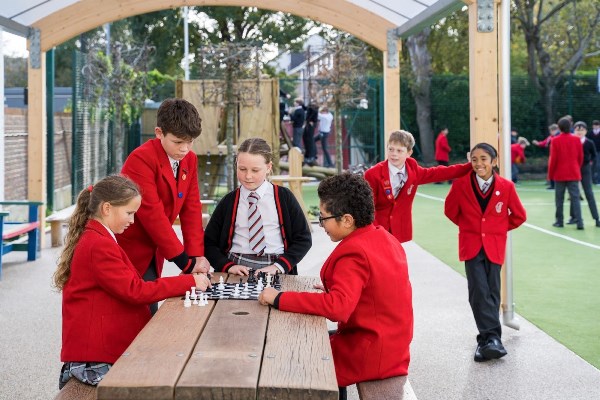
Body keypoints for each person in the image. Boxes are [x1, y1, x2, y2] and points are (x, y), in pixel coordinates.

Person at [258, 173, 413, 399]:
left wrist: (278, 298)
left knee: (295, 356)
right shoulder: (382, 236)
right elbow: (372, 291)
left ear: (347, 219)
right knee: (309, 341)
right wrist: (333, 289)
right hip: (391, 343)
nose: (321, 225)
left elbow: (337, 308)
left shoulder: (355, 253)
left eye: (323, 218)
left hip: (373, 351)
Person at [53, 175, 211, 390]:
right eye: (129, 213)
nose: (133, 220)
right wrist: (188, 282)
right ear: (107, 208)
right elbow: (135, 290)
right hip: (95, 358)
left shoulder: (99, 237)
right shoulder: (98, 244)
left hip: (100, 352)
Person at [118, 98, 210, 314]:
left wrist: (196, 255)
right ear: (159, 133)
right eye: (178, 142)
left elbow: (191, 208)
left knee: (148, 309)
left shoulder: (190, 159)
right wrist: (186, 264)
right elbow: (152, 215)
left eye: (190, 142)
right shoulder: (140, 159)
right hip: (129, 246)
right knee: (135, 311)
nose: (185, 148)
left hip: (156, 247)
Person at [444, 143, 526, 362]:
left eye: (483, 159)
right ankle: (492, 339)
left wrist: (495, 230)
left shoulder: (506, 187)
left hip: (495, 246)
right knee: (478, 291)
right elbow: (450, 211)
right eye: (474, 159)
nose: (478, 163)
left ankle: (487, 340)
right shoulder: (461, 185)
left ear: (493, 161)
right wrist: (471, 228)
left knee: (492, 291)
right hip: (470, 246)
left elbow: (519, 216)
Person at [204, 137, 311, 275]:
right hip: (236, 268)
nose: (248, 176)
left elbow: (304, 239)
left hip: (276, 267)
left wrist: (279, 266)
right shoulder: (228, 202)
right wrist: (227, 266)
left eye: (255, 170)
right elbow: (208, 243)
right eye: (242, 169)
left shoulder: (284, 197)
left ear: (268, 167)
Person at [364, 130, 472, 244]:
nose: (393, 154)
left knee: (400, 262)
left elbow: (439, 172)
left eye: (399, 151)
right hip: (378, 232)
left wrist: (469, 166)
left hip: (402, 233)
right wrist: (374, 232)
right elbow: (368, 208)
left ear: (409, 153)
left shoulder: (413, 170)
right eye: (391, 149)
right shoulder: (372, 174)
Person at [548, 117, 584, 229]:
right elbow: (580, 157)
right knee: (575, 198)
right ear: (571, 127)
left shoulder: (555, 140)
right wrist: (576, 167)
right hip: (574, 173)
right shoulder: (577, 140)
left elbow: (553, 159)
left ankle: (559, 221)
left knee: (559, 199)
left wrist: (550, 174)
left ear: (559, 127)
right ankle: (579, 222)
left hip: (560, 174)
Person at [569, 121, 600, 227]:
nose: (579, 132)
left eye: (582, 130)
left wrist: (591, 166)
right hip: (573, 169)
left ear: (586, 131)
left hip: (586, 169)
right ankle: (573, 217)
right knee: (574, 193)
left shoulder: (589, 142)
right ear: (574, 130)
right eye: (577, 130)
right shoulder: (571, 141)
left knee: (589, 193)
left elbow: (594, 156)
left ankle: (596, 218)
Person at [533, 123, 560, 189]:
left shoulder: (556, 137)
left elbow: (544, 143)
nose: (550, 132)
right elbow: (544, 143)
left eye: (551, 131)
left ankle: (555, 185)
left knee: (555, 170)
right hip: (553, 156)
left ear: (555, 130)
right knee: (552, 170)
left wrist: (538, 143)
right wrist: (538, 143)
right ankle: (553, 185)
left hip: (556, 157)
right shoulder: (551, 137)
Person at [303, 101, 319, 166]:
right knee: (306, 139)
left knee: (310, 141)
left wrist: (310, 121)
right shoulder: (310, 109)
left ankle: (311, 156)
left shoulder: (314, 110)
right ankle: (308, 156)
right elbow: (306, 108)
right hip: (308, 125)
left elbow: (313, 116)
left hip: (310, 126)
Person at [586, 120, 600, 184]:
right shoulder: (590, 133)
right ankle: (591, 180)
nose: (596, 126)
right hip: (591, 152)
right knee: (591, 166)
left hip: (599, 151)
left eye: (597, 125)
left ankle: (597, 180)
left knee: (598, 166)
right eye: (594, 125)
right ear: (593, 126)